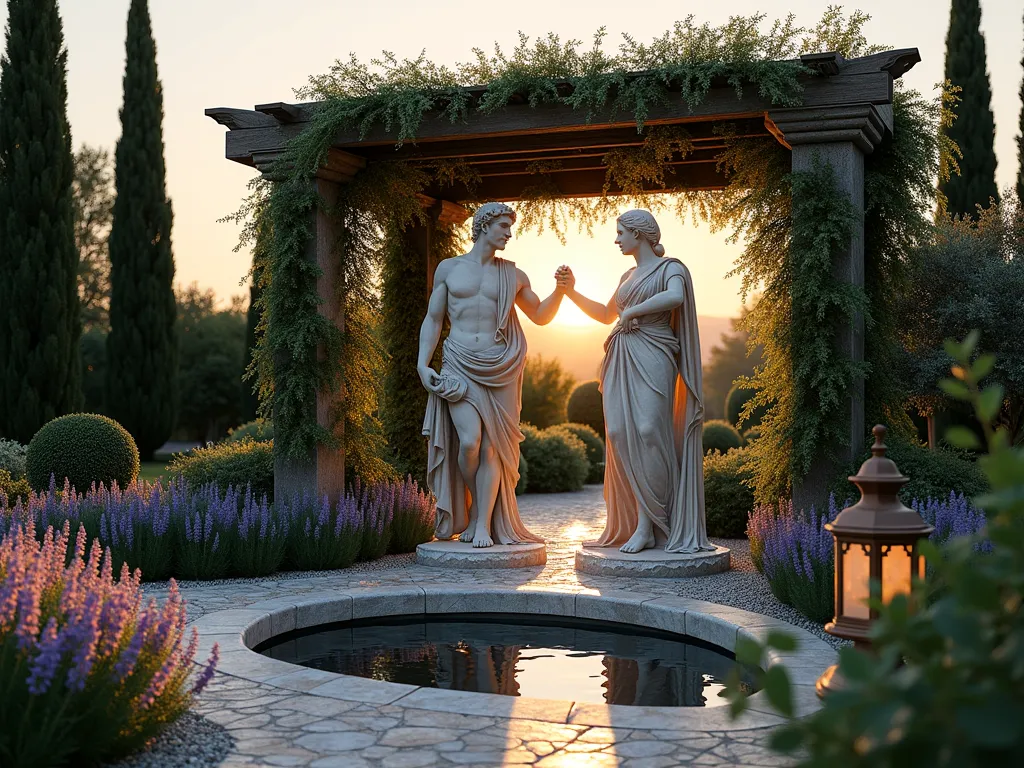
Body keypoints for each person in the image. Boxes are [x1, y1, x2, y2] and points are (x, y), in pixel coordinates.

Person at [555, 209, 713, 554]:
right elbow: (604, 313)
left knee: (648, 431)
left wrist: (633, 312)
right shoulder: (628, 275)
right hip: (621, 355)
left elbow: (676, 297)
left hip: (655, 352)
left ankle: (652, 522)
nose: (617, 240)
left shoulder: (671, 267)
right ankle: (638, 520)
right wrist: (570, 293)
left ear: (639, 234)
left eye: (621, 233)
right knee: (617, 433)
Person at [418, 202, 564, 547]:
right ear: (484, 225)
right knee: (470, 443)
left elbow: (541, 316)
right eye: (503, 227)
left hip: (500, 368)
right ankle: (472, 505)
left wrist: (560, 291)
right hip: (459, 363)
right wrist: (423, 364)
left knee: (492, 449)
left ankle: (482, 523)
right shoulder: (449, 269)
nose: (509, 235)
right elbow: (434, 319)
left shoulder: (514, 275)